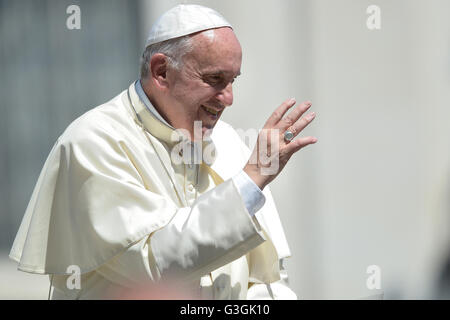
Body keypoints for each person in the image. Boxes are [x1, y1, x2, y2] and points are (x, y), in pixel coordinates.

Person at [9, 4, 317, 300]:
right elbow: (155, 265)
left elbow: (268, 280)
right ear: (161, 71)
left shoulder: (228, 141)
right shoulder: (93, 140)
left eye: (232, 80)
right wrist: (251, 181)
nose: (229, 98)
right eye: (215, 79)